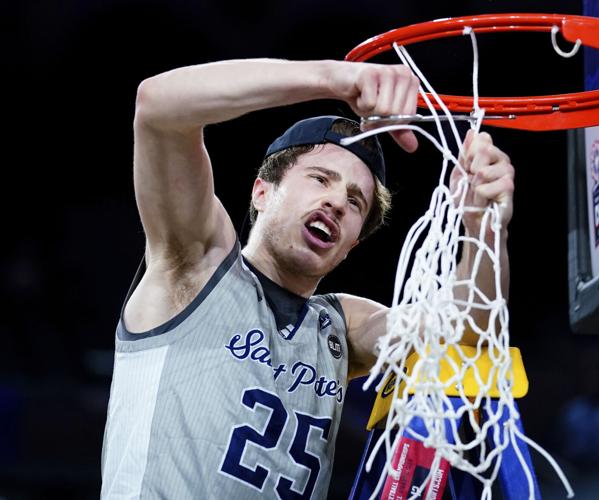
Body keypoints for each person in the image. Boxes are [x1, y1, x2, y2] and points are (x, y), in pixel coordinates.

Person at [101, 58, 515, 499]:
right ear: (262, 191)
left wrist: (486, 228)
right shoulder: (196, 266)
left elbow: (469, 332)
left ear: (353, 243)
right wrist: (336, 79)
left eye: (355, 202)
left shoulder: (341, 325)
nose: (337, 201)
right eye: (320, 178)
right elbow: (159, 107)